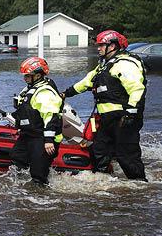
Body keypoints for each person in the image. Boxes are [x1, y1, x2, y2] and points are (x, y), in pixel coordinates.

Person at [62, 30, 147, 180]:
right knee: (99, 151)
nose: (98, 48)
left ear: (113, 46)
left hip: (124, 118)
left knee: (126, 155)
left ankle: (139, 185)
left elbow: (137, 89)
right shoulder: (103, 66)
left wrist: (130, 113)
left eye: (102, 45)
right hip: (106, 119)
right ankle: (103, 182)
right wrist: (65, 93)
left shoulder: (125, 64)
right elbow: (86, 83)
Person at [11, 57, 64, 185]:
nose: (25, 79)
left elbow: (50, 117)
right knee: (17, 157)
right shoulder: (28, 89)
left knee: (38, 174)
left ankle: (41, 197)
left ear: (38, 75)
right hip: (28, 134)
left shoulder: (45, 92)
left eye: (28, 76)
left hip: (42, 137)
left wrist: (49, 140)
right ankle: (21, 190)